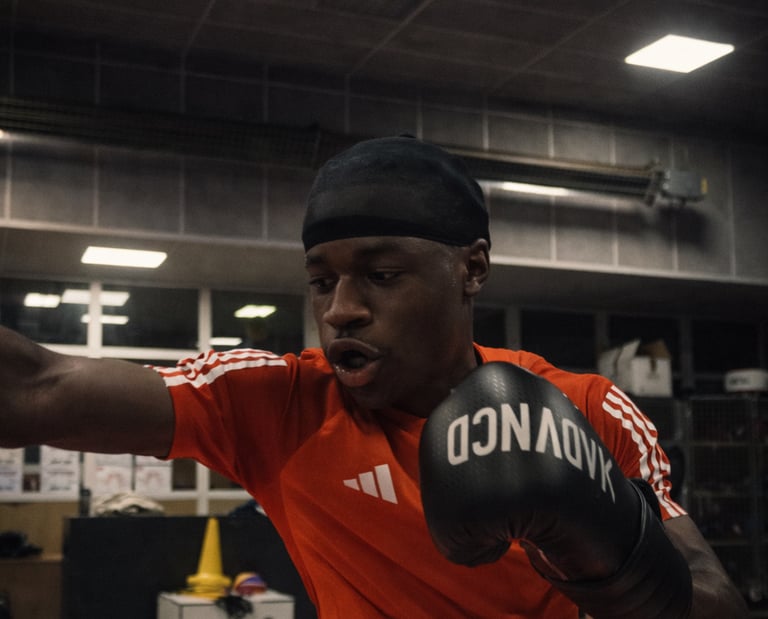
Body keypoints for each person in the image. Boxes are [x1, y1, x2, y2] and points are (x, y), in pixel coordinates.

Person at [0, 136, 748, 618]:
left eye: (382, 274)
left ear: (472, 269)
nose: (341, 310)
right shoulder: (279, 405)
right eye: (321, 281)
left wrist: (608, 550)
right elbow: (38, 387)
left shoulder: (586, 406)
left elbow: (716, 597)